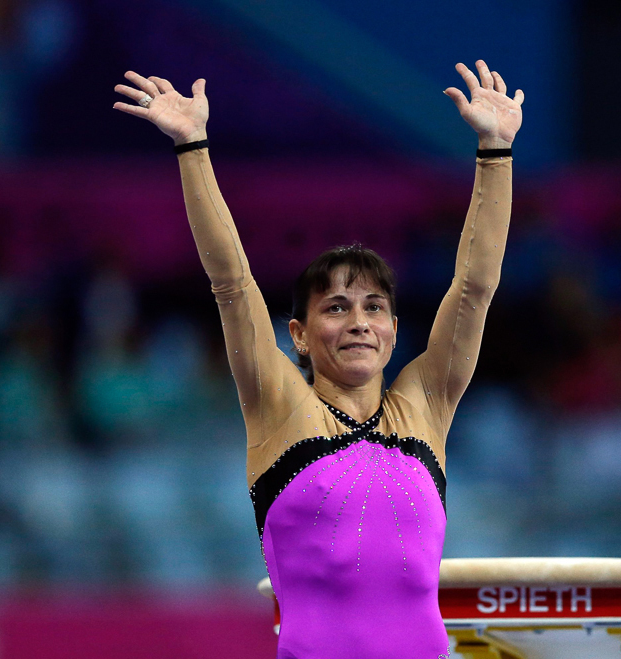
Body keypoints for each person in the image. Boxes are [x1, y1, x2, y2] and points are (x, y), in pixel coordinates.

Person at [112, 60, 523, 658]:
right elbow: (231, 281)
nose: (358, 322)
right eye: (336, 308)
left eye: (374, 307)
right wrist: (193, 146)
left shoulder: (425, 409)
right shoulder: (280, 408)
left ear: (394, 331)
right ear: (299, 336)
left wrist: (496, 151)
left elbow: (475, 287)